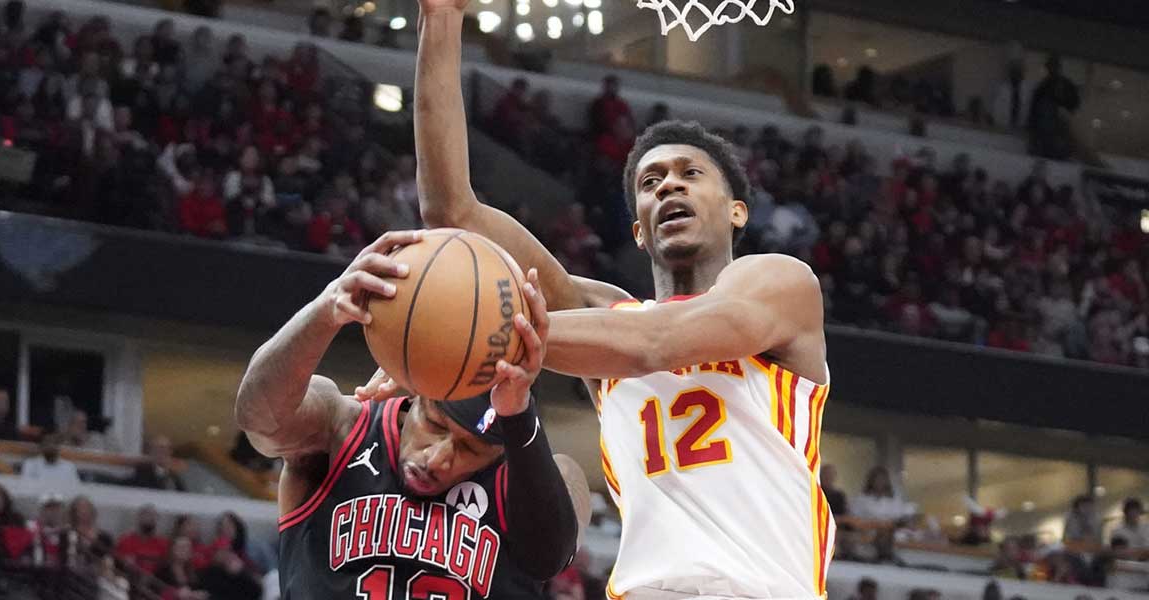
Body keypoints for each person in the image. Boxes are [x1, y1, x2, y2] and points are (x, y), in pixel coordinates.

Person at [396, 3, 834, 597]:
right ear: (639, 230)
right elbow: (452, 213)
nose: (669, 185)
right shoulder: (604, 321)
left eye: (690, 174)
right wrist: (442, 22)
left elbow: (658, 344)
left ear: (737, 212)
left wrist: (472, 333)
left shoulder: (781, 284)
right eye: (650, 184)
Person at [234, 230, 588, 598]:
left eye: (469, 450)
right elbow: (260, 420)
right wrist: (324, 313)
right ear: (416, 394)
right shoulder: (341, 427)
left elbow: (551, 555)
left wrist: (518, 415)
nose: (437, 458)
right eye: (435, 425)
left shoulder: (541, 478)